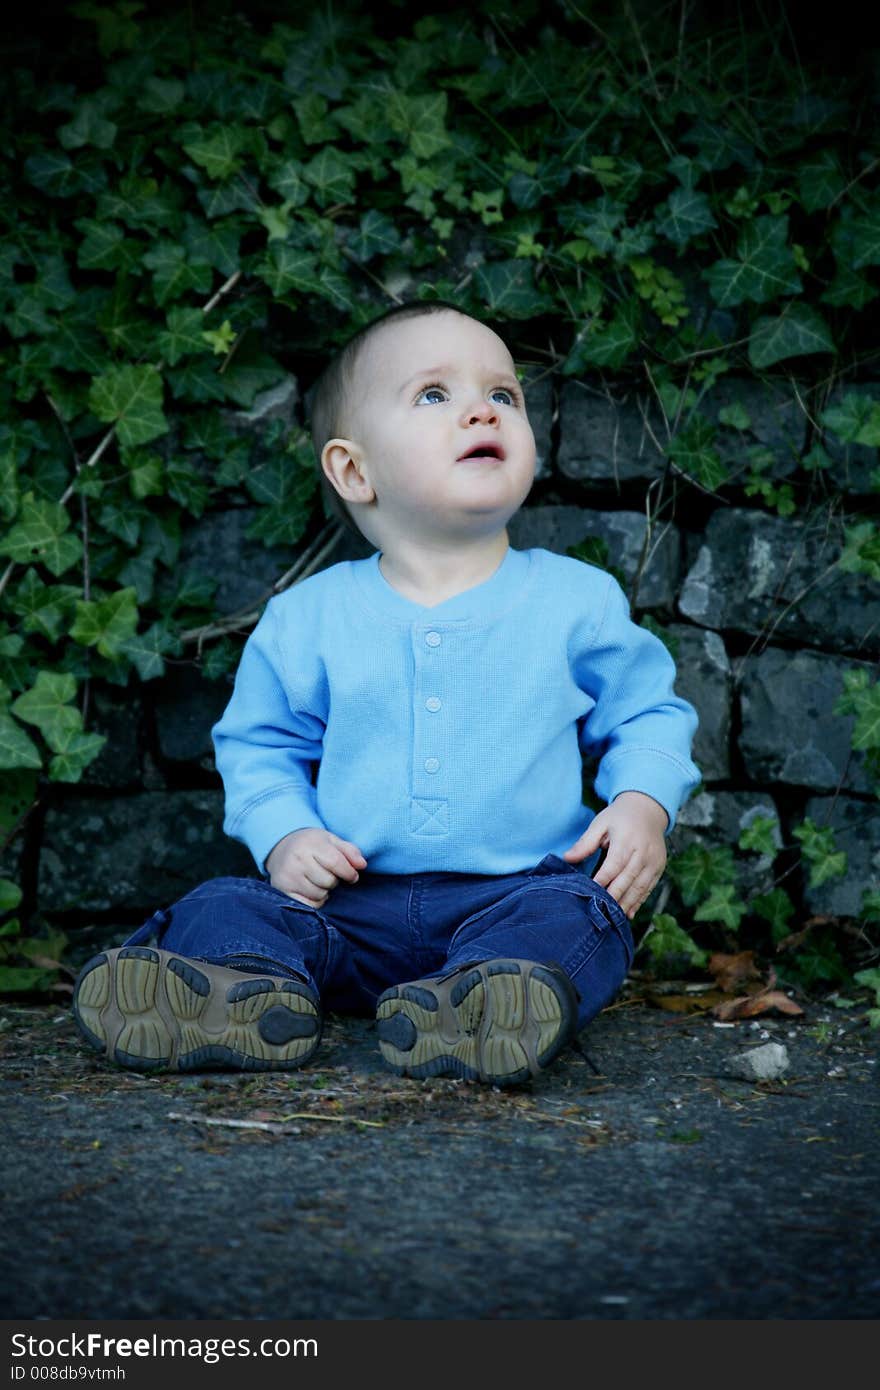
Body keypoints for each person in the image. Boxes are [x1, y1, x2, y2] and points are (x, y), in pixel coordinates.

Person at [72, 300, 700, 1086]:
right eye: (434, 394)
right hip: (344, 910)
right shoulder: (309, 617)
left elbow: (645, 712)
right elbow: (261, 745)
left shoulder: (577, 602)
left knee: (583, 917)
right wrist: (286, 837)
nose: (482, 407)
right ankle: (247, 991)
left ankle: (487, 1004)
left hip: (515, 898)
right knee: (224, 904)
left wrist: (641, 803)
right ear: (354, 470)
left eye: (503, 395)